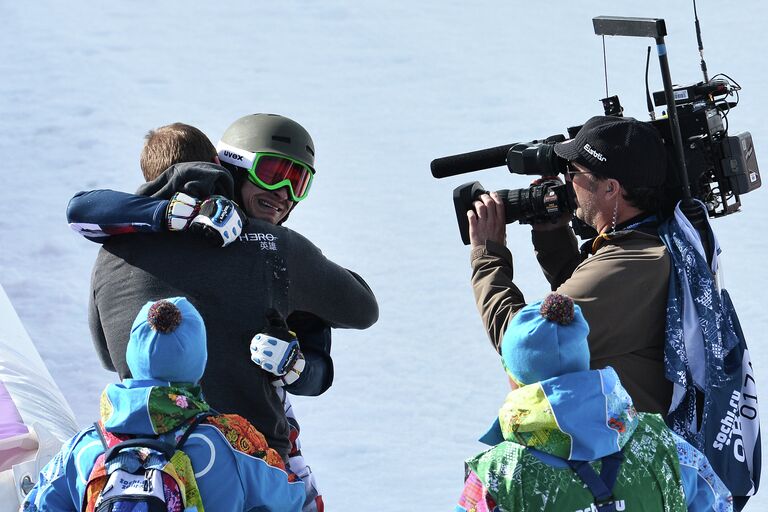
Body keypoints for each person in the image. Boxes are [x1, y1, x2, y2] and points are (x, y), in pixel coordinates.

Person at [68, 116, 378, 505]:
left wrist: (300, 363)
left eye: (297, 183)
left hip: (142, 466)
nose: (283, 192)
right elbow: (363, 309)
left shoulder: (110, 251)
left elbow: (106, 355)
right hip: (250, 467)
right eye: (272, 173)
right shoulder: (275, 249)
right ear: (225, 165)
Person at [22, 297, 305, 512]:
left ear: (132, 356)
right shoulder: (231, 440)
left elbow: (35, 505)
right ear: (200, 360)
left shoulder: (83, 448)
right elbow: (293, 498)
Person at [468, 116, 672, 414]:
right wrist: (553, 238)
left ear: (611, 188)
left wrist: (488, 254)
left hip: (619, 454)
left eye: (573, 170)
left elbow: (526, 345)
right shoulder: (651, 244)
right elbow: (591, 321)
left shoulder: (633, 264)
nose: (566, 180)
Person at [457, 293, 732, 512]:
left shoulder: (498, 475)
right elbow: (720, 503)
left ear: (514, 378)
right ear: (585, 363)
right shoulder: (664, 445)